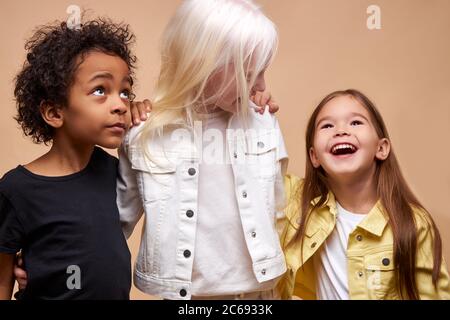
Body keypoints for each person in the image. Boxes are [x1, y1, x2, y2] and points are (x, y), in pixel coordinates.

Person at [117, 0, 288, 300]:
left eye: (263, 72)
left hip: (257, 294)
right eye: (250, 74)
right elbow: (116, 222)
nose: (261, 85)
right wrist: (53, 260)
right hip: (184, 297)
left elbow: (280, 208)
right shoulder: (144, 131)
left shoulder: (263, 122)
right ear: (203, 65)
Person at [0, 18, 148, 299]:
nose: (120, 105)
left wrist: (146, 116)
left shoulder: (114, 172)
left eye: (125, 92)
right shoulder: (17, 189)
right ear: (55, 112)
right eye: (100, 90)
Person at [278, 89, 450, 299]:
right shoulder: (298, 203)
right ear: (314, 156)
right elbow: (249, 173)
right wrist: (254, 112)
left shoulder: (413, 223)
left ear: (381, 148)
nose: (340, 131)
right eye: (327, 125)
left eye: (356, 123)